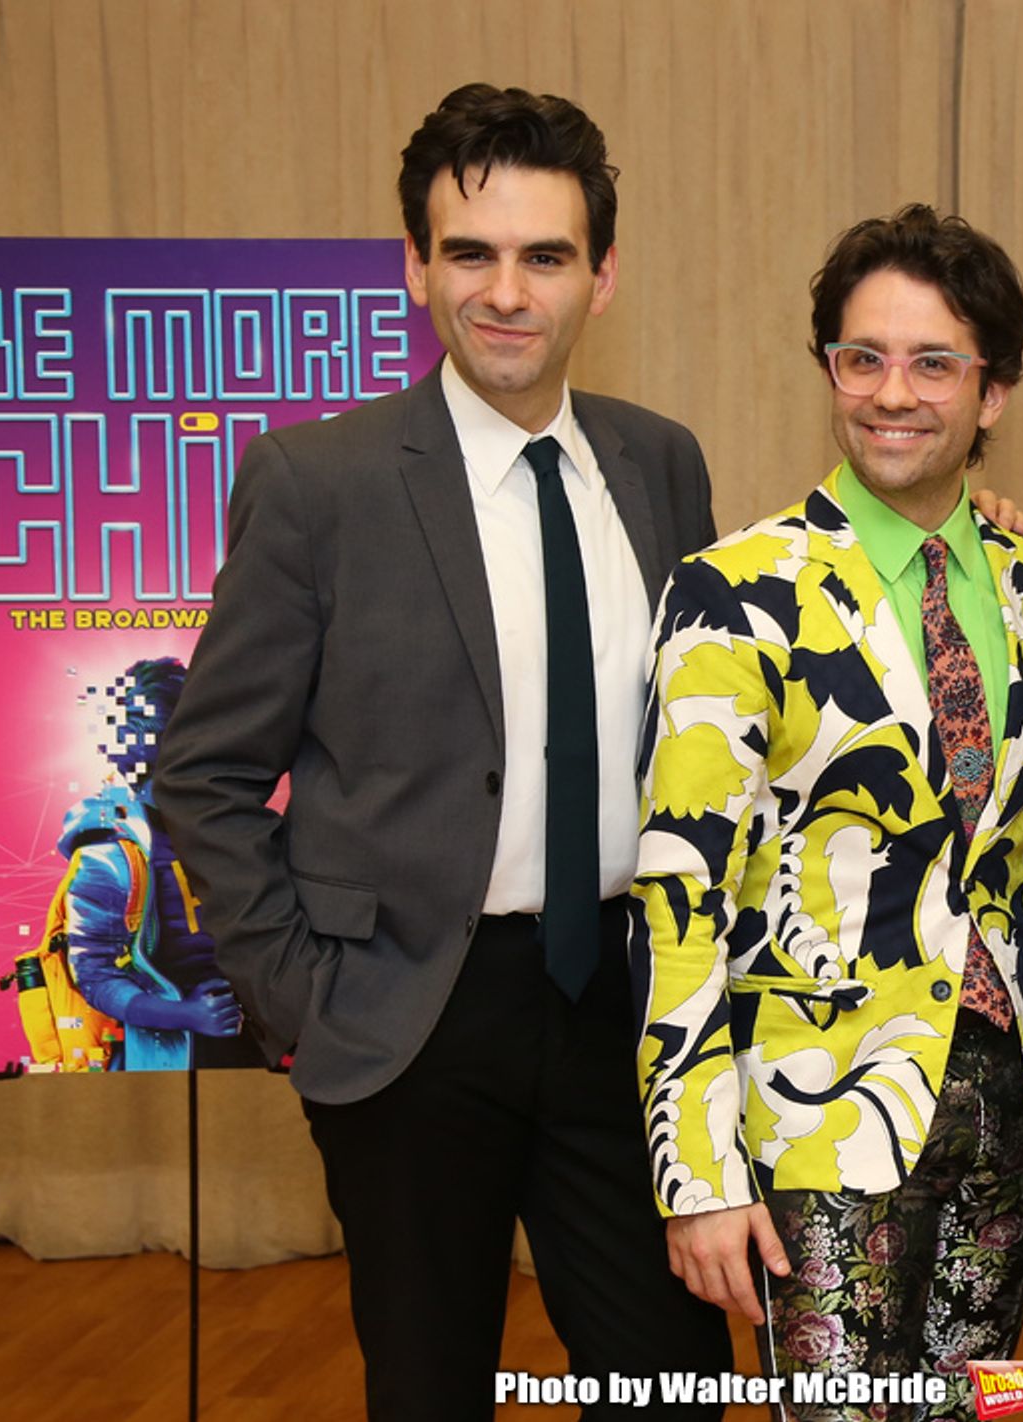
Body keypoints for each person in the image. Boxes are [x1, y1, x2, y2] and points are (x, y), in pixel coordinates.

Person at [154, 84, 730, 1420]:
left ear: (604, 273)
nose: (507, 291)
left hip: (622, 1007)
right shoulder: (318, 483)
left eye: (546, 255)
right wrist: (301, 994)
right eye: (470, 253)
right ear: (416, 266)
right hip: (408, 1018)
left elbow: (727, 715)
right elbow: (206, 772)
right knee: (429, 1388)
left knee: (675, 1381)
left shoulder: (661, 465)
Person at [632, 204, 1023, 1420]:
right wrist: (695, 1174)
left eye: (935, 361)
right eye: (862, 357)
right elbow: (680, 903)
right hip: (816, 1121)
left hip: (1018, 1115)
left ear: (992, 394)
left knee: (992, 1411)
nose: (894, 391)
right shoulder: (737, 595)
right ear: (829, 369)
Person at [61, 656, 257, 1070]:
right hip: (173, 1054)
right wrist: (184, 1015)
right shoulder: (109, 855)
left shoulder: (229, 824)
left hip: (260, 1036)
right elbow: (94, 974)